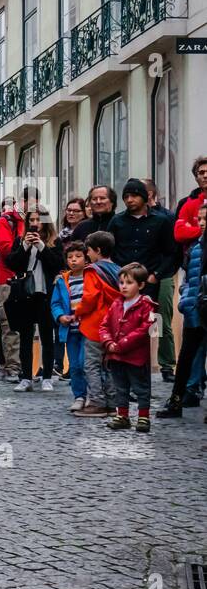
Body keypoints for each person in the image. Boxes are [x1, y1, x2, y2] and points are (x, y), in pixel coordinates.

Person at [110, 179, 178, 381]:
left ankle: (157, 365)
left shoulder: (161, 221)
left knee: (152, 324)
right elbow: (111, 251)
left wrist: (156, 275)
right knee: (124, 325)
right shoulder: (117, 222)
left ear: (145, 197)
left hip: (151, 280)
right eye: (126, 197)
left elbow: (171, 253)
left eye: (134, 196)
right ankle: (126, 371)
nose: (130, 200)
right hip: (124, 282)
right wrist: (120, 274)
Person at [4, 208, 63, 392]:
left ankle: (46, 376)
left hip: (45, 294)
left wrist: (42, 247)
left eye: (39, 219)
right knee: (26, 337)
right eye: (32, 220)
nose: (35, 223)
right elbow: (12, 263)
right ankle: (26, 377)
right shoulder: (20, 241)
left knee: (47, 336)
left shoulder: (54, 242)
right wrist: (24, 247)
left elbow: (57, 264)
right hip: (25, 294)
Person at [158, 198, 205, 419]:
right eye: (200, 219)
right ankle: (175, 401)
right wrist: (186, 299)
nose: (202, 223)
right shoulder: (196, 247)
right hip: (195, 308)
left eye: (206, 219)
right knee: (186, 356)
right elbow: (189, 278)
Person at [99, 263, 157, 432]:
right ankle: (122, 415)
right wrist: (108, 343)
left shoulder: (149, 306)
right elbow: (104, 325)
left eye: (129, 282)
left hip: (137, 357)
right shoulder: (116, 304)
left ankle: (144, 417)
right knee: (120, 387)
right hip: (116, 355)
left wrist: (122, 344)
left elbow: (148, 330)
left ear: (141, 285)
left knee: (141, 388)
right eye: (122, 282)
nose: (123, 286)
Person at [72, 231, 121, 417]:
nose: (87, 255)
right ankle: (112, 402)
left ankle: (97, 402)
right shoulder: (118, 269)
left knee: (92, 365)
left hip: (95, 325)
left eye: (89, 251)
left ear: (98, 251)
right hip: (114, 324)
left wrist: (78, 312)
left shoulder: (93, 271)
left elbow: (90, 298)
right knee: (109, 364)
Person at [52, 241, 91, 413]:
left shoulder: (92, 276)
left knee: (86, 363)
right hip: (71, 330)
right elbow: (56, 303)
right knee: (74, 365)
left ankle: (93, 394)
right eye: (70, 257)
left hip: (88, 329)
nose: (74, 260)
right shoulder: (63, 280)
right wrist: (60, 316)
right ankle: (79, 396)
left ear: (86, 258)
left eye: (78, 256)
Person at [0, 195, 26, 382]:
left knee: (16, 324)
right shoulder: (6, 223)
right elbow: (6, 250)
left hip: (20, 278)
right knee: (8, 324)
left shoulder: (27, 222)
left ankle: (12, 366)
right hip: (6, 278)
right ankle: (11, 366)